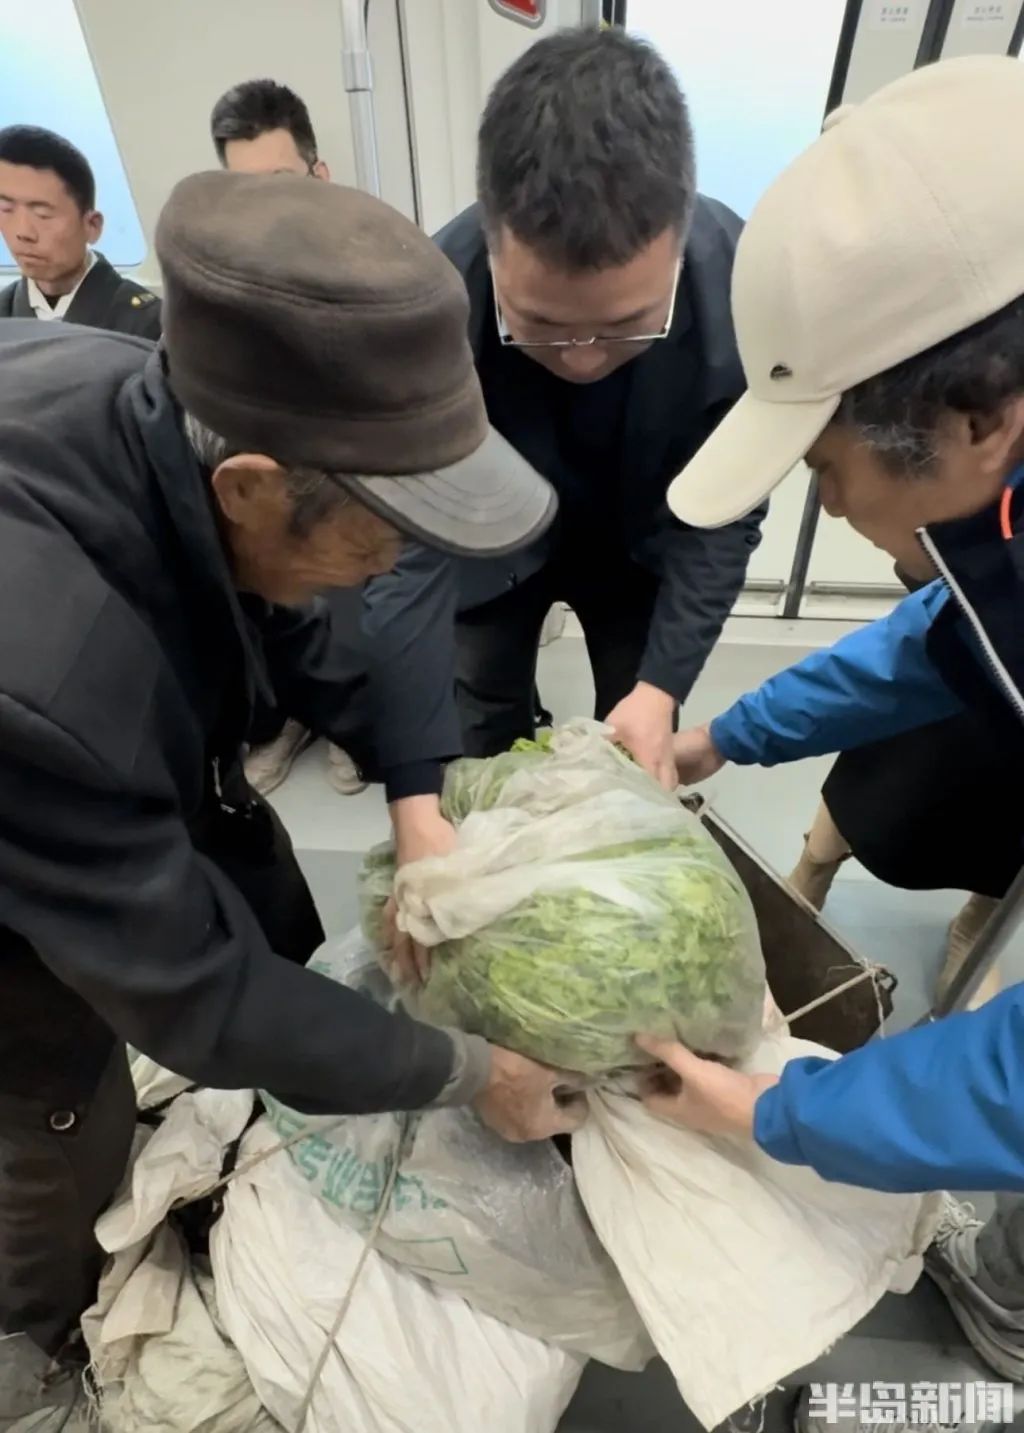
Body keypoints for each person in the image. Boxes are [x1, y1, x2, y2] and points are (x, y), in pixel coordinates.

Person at [0, 170, 584, 1391]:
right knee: (50, 1123)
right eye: (383, 534)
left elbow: (301, 627)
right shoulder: (44, 678)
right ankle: (45, 1352)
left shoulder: (144, 393)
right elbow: (197, 993)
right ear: (254, 486)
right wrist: (475, 1072)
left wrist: (419, 801)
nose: (393, 565)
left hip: (92, 766)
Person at [636, 54, 1024, 1427]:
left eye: (827, 470)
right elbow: (944, 634)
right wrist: (722, 738)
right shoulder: (998, 496)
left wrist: (769, 1112)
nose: (840, 508)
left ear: (976, 419)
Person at [0, 125, 160, 337]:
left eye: (42, 214)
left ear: (92, 226)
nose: (23, 232)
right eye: (6, 209)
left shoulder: (148, 323)